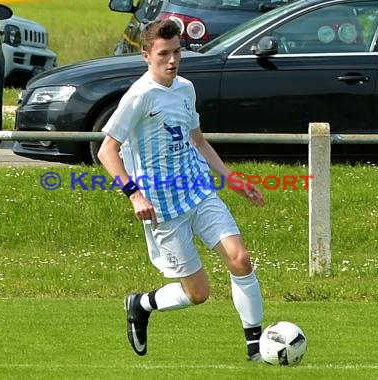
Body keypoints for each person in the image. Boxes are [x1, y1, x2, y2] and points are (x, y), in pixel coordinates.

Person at [97, 19, 266, 362]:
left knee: (241, 259)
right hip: (163, 208)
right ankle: (141, 304)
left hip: (199, 191)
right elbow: (106, 151)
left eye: (177, 52)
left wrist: (231, 178)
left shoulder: (185, 88)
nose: (172, 60)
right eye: (163, 54)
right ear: (146, 55)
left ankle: (257, 351)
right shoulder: (139, 97)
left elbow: (198, 140)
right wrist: (134, 195)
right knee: (198, 294)